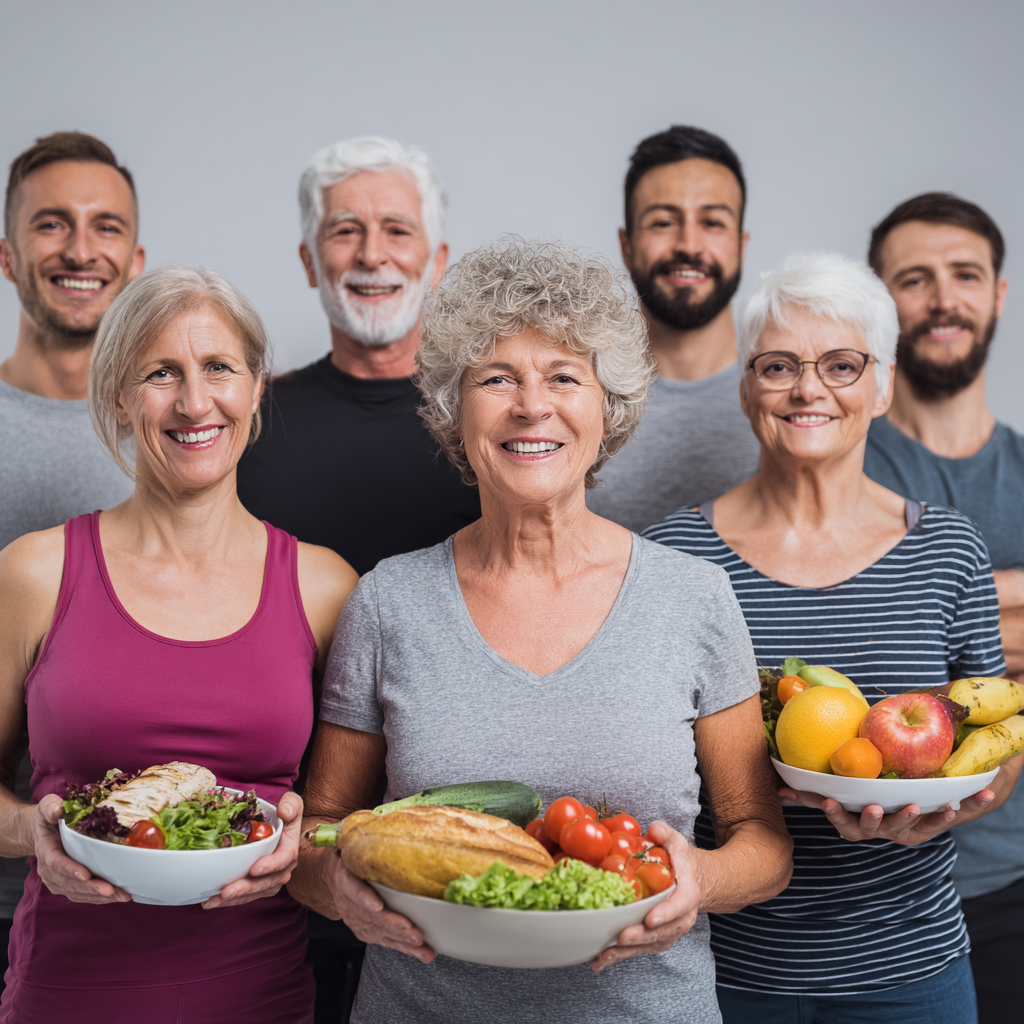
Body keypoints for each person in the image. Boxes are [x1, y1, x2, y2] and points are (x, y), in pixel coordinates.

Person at [289, 237, 794, 1024]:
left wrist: (700, 880)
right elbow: (317, 833)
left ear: (608, 408)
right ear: (456, 411)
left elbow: (762, 842)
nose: (532, 406)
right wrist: (339, 893)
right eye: (497, 379)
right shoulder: (389, 602)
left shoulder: (693, 598)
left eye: (564, 376)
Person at [644, 252, 1020, 1024]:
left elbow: (997, 747)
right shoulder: (672, 560)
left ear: (882, 384)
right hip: (723, 976)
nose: (808, 389)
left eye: (841, 365)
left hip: (915, 969)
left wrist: (947, 811)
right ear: (747, 388)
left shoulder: (949, 548)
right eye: (779, 365)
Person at [0, 266, 358, 1023]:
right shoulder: (36, 572)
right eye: (161, 372)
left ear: (258, 388)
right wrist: (31, 830)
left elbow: (349, 816)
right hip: (67, 996)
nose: (195, 403)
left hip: (262, 998)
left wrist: (308, 848)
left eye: (219, 368)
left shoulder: (323, 588)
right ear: (120, 399)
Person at [861, 193, 1024, 1024]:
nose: (942, 298)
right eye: (913, 279)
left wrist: (922, 612)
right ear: (878, 303)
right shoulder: (838, 464)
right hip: (849, 897)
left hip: (1008, 884)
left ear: (998, 293)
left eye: (964, 275)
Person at [0, 131, 142, 984]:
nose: (81, 249)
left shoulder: (191, 435)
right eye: (53, 225)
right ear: (8, 256)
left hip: (152, 880)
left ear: (136, 257)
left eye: (106, 227)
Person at [236, 136, 480, 576]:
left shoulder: (492, 415)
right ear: (310, 261)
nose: (371, 255)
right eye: (346, 230)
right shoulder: (247, 420)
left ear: (437, 263)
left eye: (398, 230)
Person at [586, 125, 760, 532]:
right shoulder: (574, 395)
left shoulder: (791, 395)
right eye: (663, 222)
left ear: (742, 244)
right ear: (626, 246)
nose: (689, 245)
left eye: (713, 222)